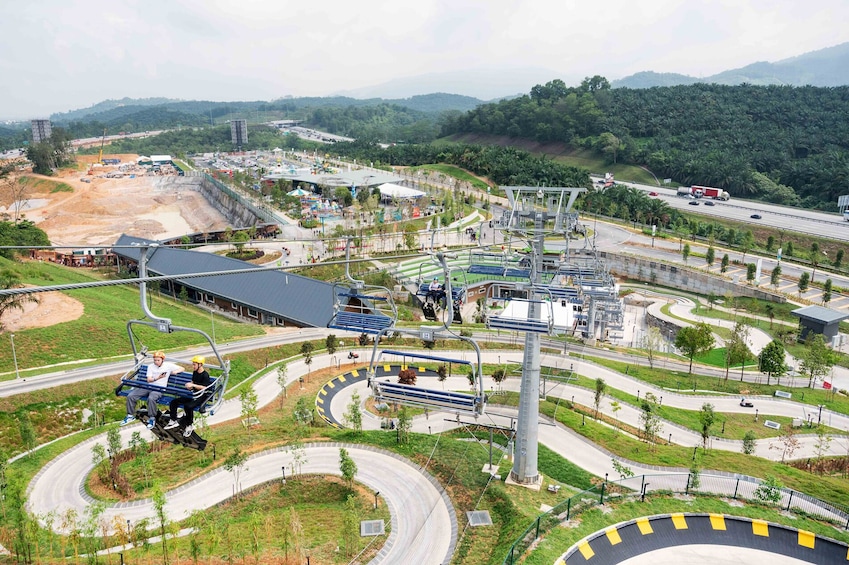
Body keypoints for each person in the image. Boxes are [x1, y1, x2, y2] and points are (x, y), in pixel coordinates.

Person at [121, 351, 182, 429]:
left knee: (151, 398)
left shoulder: (168, 366)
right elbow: (149, 380)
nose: (156, 362)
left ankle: (152, 418)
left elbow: (182, 368)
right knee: (131, 395)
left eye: (158, 360)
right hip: (149, 386)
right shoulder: (151, 366)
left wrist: (173, 372)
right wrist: (158, 377)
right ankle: (130, 415)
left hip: (159, 388)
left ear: (162, 360)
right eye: (155, 360)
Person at [164, 355, 212, 437]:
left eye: (194, 364)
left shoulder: (205, 375)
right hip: (193, 394)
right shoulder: (195, 372)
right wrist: (190, 386)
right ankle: (173, 420)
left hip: (201, 396)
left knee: (188, 406)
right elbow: (193, 382)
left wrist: (193, 385)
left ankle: (189, 425)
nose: (193, 366)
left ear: (200, 365)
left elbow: (205, 387)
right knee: (174, 402)